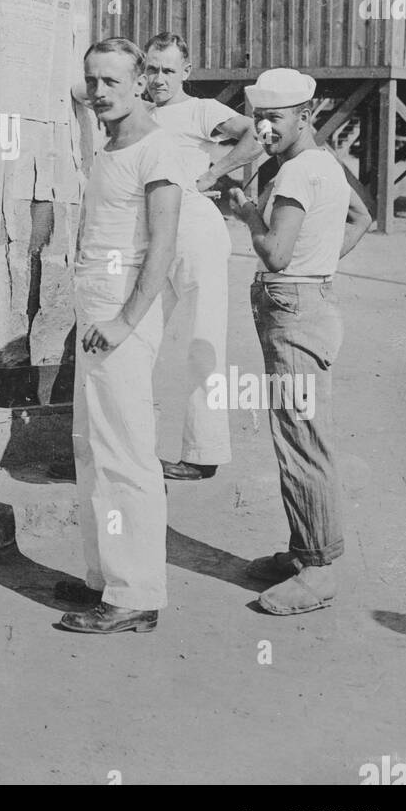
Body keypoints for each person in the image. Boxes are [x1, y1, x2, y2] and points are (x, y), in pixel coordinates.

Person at [228, 68, 371, 615]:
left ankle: (316, 572)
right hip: (308, 301)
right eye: (259, 117)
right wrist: (320, 268)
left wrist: (245, 213)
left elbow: (275, 254)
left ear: (306, 116)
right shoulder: (323, 164)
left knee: (300, 440)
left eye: (275, 118)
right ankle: (305, 550)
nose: (264, 128)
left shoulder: (293, 175)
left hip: (290, 307)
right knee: (303, 431)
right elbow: (361, 216)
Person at [57, 37, 185, 635]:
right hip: (94, 307)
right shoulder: (112, 142)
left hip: (121, 312)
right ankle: (103, 576)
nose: (100, 92)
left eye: (114, 81)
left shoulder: (159, 149)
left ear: (142, 83)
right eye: (94, 81)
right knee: (91, 445)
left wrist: (124, 321)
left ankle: (135, 593)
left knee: (127, 452)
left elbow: (162, 248)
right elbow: (79, 94)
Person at [143, 31, 262, 481]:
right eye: (152, 69)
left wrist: (214, 171)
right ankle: (132, 447)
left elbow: (257, 133)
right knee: (139, 339)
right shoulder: (143, 114)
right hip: (155, 232)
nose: (158, 79)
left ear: (186, 72)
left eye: (168, 70)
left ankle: (203, 453)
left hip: (195, 230)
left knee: (201, 339)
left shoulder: (201, 110)